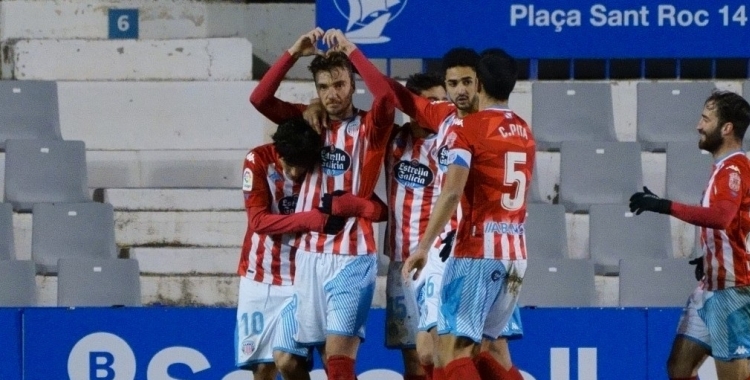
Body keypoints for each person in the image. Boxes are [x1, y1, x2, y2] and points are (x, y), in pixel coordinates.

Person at [250, 28, 394, 380]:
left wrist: (352, 50)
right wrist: (293, 52)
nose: (332, 94)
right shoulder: (307, 121)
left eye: (340, 85)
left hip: (352, 255)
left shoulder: (368, 127)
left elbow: (387, 98)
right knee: (289, 361)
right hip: (309, 254)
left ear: (353, 84)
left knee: (338, 359)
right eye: (324, 87)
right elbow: (260, 99)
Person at [383, 48, 524, 380]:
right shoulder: (518, 129)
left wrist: (423, 245)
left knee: (467, 350)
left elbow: (452, 193)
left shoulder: (468, 130)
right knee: (433, 350)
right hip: (499, 249)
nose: (459, 90)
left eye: (467, 82)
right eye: (453, 83)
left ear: (480, 83)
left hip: (469, 249)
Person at [629, 90, 750, 380]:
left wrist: (664, 205)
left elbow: (722, 217)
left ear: (726, 128)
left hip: (730, 292)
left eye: (705, 119)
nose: (698, 125)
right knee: (679, 368)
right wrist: (708, 256)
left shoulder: (733, 169)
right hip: (711, 285)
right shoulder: (722, 168)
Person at [235, 117, 347, 380]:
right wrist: (310, 220)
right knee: (263, 369)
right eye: (289, 165)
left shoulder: (323, 163)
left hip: (306, 277)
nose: (295, 173)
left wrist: (315, 106)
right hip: (260, 276)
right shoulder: (258, 159)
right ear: (278, 153)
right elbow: (258, 221)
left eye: (302, 167)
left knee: (292, 361)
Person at [383, 72, 448, 380]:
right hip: (400, 262)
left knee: (436, 351)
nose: (440, 108)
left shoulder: (449, 142)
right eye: (432, 102)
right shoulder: (393, 139)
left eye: (443, 101)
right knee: (412, 357)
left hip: (435, 260)